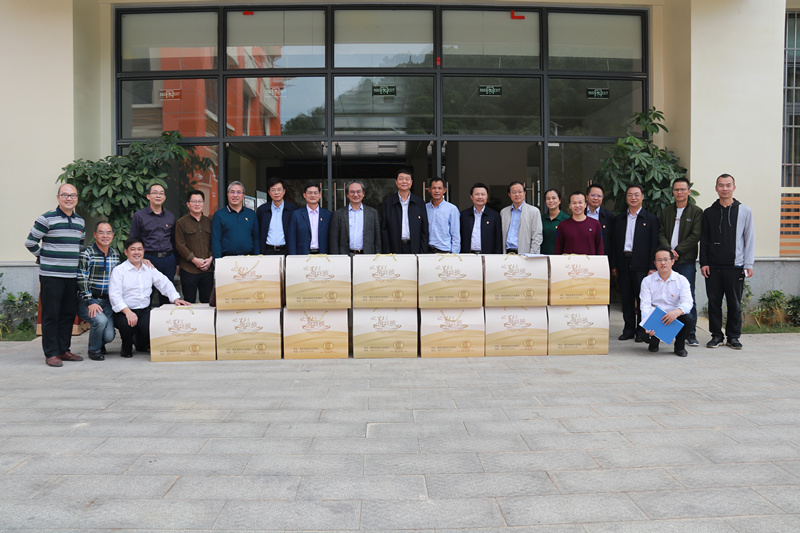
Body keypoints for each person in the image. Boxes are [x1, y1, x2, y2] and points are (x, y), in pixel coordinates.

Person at [25, 183, 86, 367]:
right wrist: (43, 257)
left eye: (73, 195)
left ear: (77, 199)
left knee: (68, 314)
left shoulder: (80, 222)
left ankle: (63, 350)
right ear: (58, 197)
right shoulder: (46, 219)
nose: (69, 199)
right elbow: (30, 242)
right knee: (51, 315)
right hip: (51, 276)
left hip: (71, 276)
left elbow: (79, 246)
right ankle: (51, 353)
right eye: (65, 195)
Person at [700, 173, 755, 350]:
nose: (725, 188)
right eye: (721, 185)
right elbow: (704, 239)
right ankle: (716, 335)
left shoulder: (745, 211)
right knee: (714, 303)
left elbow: (749, 238)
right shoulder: (709, 212)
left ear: (734, 187)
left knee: (734, 304)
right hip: (713, 267)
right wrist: (704, 262)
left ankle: (733, 336)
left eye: (728, 185)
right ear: (716, 188)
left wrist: (748, 264)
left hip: (736, 266)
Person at [109, 237, 190, 358]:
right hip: (124, 311)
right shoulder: (119, 270)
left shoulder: (149, 268)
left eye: (139, 249)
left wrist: (175, 298)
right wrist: (128, 312)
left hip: (144, 311)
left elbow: (164, 282)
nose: (136, 252)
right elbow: (114, 295)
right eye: (133, 249)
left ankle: (139, 340)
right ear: (126, 252)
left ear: (144, 251)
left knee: (147, 335)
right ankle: (126, 344)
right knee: (127, 326)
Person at [658, 177, 703, 347]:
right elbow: (661, 232)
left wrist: (678, 251)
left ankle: (690, 333)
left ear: (689, 192)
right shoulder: (666, 211)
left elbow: (695, 235)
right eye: (676, 189)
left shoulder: (696, 212)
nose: (679, 192)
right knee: (666, 296)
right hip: (667, 261)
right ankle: (667, 331)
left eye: (683, 189)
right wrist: (668, 252)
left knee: (688, 295)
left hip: (686, 260)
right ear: (673, 192)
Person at [612, 184, 659, 342]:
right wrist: (614, 265)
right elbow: (614, 243)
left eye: (636, 194)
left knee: (642, 298)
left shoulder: (651, 219)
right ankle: (628, 329)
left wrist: (652, 267)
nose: (633, 198)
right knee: (626, 297)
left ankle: (641, 330)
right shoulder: (619, 219)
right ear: (626, 197)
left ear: (642, 197)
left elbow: (654, 244)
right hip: (623, 262)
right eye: (630, 195)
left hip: (642, 264)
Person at [77, 221, 120, 361]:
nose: (105, 236)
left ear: (113, 235)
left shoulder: (115, 254)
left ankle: (100, 343)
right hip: (88, 300)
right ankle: (94, 350)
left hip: (107, 301)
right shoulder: (87, 253)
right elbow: (82, 279)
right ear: (95, 235)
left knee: (109, 336)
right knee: (100, 321)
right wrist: (90, 301)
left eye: (108, 232)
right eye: (101, 232)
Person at [640, 248, 694, 357]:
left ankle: (679, 346)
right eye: (659, 260)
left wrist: (676, 312)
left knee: (688, 319)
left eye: (666, 260)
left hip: (674, 315)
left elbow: (688, 302)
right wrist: (647, 323)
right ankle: (654, 342)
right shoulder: (647, 281)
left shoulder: (681, 280)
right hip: (655, 316)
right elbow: (645, 304)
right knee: (644, 336)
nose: (663, 263)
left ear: (672, 261)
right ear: (655, 263)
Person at [129, 183, 176, 305]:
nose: (158, 196)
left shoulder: (170, 216)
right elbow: (133, 239)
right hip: (148, 259)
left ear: (164, 197)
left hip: (168, 259)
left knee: (167, 295)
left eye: (161, 193)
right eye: (155, 193)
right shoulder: (139, 216)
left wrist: (177, 262)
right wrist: (141, 259)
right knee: (145, 294)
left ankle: (165, 318)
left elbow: (173, 240)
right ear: (148, 196)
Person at [175, 190, 214, 303]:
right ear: (188, 204)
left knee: (207, 302)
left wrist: (210, 259)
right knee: (189, 302)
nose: (197, 204)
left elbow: (214, 242)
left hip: (207, 269)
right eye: (194, 201)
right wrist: (194, 260)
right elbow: (180, 244)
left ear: (203, 204)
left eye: (200, 201)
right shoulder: (181, 222)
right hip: (188, 270)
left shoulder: (209, 222)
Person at [381, 168, 429, 254]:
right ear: (396, 182)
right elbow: (384, 230)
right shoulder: (388, 203)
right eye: (401, 179)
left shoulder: (419, 202)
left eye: (407, 179)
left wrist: (422, 252)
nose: (404, 181)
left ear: (411, 182)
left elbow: (424, 230)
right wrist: (387, 252)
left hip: (415, 248)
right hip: (394, 249)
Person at [330, 180, 381, 255]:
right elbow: (334, 240)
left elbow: (377, 239)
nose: (355, 194)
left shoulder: (372, 213)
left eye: (358, 192)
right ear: (347, 194)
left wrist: (377, 256)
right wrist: (336, 258)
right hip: (345, 256)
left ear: (363, 194)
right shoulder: (338, 214)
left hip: (367, 256)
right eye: (352, 192)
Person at [211, 181, 259, 258]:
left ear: (243, 195)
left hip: (248, 259)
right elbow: (216, 240)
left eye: (239, 192)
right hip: (226, 259)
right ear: (227, 194)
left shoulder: (251, 214)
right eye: (232, 192)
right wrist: (217, 260)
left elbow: (256, 239)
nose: (235, 195)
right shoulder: (219, 215)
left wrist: (256, 258)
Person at [288, 182, 332, 254]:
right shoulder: (296, 215)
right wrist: (293, 257)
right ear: (304, 195)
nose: (313, 195)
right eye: (310, 193)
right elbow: (292, 238)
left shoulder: (328, 215)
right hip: (302, 255)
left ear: (320, 195)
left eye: (315, 193)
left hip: (323, 255)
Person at [257, 177, 297, 255]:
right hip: (267, 251)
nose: (276, 193)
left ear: (284, 191)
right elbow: (258, 232)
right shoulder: (262, 210)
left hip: (286, 250)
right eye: (273, 190)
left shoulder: (292, 209)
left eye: (279, 189)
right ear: (269, 192)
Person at [501, 181, 543, 254]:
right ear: (509, 194)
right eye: (514, 192)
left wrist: (532, 255)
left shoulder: (534, 211)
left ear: (524, 193)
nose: (517, 194)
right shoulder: (504, 212)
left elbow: (537, 236)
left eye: (520, 192)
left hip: (525, 254)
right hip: (506, 253)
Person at [460, 182, 502, 254]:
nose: (480, 197)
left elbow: (498, 240)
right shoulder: (464, 215)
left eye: (483, 194)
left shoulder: (494, 215)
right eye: (477, 194)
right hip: (467, 256)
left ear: (487, 196)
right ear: (471, 196)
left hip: (488, 256)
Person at [426, 177, 460, 253]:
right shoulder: (425, 208)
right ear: (429, 190)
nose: (436, 191)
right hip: (427, 251)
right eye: (434, 188)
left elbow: (455, 234)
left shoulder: (452, 209)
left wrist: (454, 254)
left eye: (439, 188)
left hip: (444, 251)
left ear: (444, 190)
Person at [585, 183, 615, 258]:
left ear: (602, 198)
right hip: (584, 256)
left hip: (603, 257)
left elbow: (613, 240)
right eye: (593, 195)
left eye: (599, 196)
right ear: (587, 197)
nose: (596, 198)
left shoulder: (609, 216)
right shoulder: (580, 213)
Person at [541, 189, 569, 255]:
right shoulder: (541, 219)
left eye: (554, 198)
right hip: (542, 257)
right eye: (548, 199)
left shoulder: (567, 220)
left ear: (559, 200)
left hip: (560, 258)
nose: (551, 201)